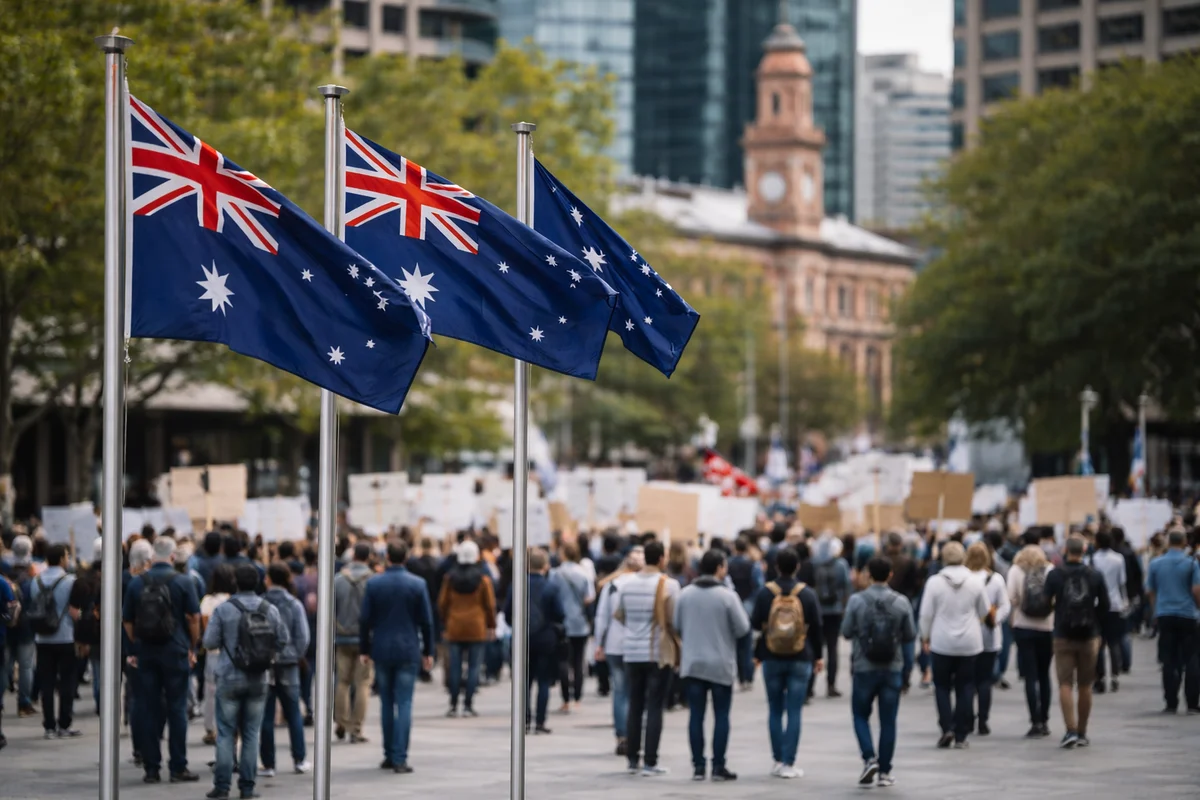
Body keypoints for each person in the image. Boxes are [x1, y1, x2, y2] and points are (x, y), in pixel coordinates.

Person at [203, 563, 289, 800]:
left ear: (235, 583)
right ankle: (247, 787)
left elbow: (209, 642)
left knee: (225, 733)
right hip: (259, 679)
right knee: (251, 733)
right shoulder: (269, 609)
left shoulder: (223, 610)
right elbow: (283, 640)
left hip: (229, 677)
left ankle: (222, 786)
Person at [123, 536, 201, 783]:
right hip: (175, 651)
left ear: (152, 556)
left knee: (148, 707)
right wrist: (192, 645)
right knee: (177, 709)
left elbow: (127, 620)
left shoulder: (136, 583)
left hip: (147, 652)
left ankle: (151, 768)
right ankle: (178, 766)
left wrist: (137, 643)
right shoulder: (183, 581)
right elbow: (193, 617)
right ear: (172, 556)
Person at [673, 548, 751, 782]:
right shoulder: (728, 596)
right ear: (719, 568)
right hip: (720, 663)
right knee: (721, 715)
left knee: (696, 715)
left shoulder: (685, 595)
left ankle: (698, 766)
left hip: (693, 663)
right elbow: (743, 628)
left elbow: (676, 625)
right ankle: (718, 766)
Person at [841, 556, 917, 789]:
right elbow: (909, 635)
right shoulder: (901, 602)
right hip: (892, 667)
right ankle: (885, 771)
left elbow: (845, 632)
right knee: (888, 721)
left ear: (868, 575)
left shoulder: (856, 601)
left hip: (864, 666)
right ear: (890, 575)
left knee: (860, 715)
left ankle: (868, 758)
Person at [360, 541, 434, 774]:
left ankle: (389, 754)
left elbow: (365, 620)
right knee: (404, 703)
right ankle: (400, 756)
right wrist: (429, 651)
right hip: (408, 647)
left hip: (381, 647)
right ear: (406, 557)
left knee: (386, 703)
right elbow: (427, 621)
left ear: (387, 557)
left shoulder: (374, 584)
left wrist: (364, 648)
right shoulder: (417, 584)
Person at [749, 546, 823, 779]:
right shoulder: (807, 594)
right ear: (798, 567)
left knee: (774, 709)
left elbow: (755, 624)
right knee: (794, 711)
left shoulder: (765, 593)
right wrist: (818, 656)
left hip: (771, 656)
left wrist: (757, 654)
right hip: (800, 657)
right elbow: (817, 628)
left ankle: (777, 759)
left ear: (776, 566)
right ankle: (789, 763)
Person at [615, 539, 680, 777]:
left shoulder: (626, 583)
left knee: (635, 704)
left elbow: (619, 614)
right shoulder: (669, 585)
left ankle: (633, 759)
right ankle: (650, 760)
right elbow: (674, 620)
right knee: (655, 706)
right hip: (656, 651)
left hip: (631, 651)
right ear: (662, 558)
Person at [918, 541, 988, 749]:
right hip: (969, 642)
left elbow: (925, 614)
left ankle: (946, 726)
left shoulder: (934, 582)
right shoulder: (975, 581)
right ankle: (961, 733)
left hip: (942, 641)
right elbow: (984, 611)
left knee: (941, 686)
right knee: (965, 686)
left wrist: (925, 636)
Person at [1042, 535, 1109, 748]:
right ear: (1085, 549)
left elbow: (1045, 603)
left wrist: (1058, 610)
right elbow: (1105, 605)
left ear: (1065, 550)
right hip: (1089, 635)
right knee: (1085, 684)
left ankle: (1069, 729)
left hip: (1063, 633)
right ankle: (1082, 731)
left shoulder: (1055, 574)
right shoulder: (1095, 575)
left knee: (1064, 683)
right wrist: (1093, 619)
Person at [259, 563, 311, 776]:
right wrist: (294, 654)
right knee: (293, 713)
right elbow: (303, 636)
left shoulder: (261, 604)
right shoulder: (294, 604)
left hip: (265, 664)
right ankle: (299, 759)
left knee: (266, 715)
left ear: (269, 579)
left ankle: (269, 764)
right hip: (289, 664)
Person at [506, 548, 565, 734]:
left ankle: (524, 721)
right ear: (546, 565)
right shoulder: (551, 587)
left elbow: (507, 613)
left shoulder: (516, 585)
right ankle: (540, 722)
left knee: (524, 681)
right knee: (544, 681)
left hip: (523, 638)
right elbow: (560, 614)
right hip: (545, 638)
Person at [438, 540, 496, 717]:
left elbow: (442, 603)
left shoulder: (449, 579)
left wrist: (445, 621)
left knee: (454, 667)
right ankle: (468, 705)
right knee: (474, 667)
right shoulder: (483, 580)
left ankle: (454, 703)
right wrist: (491, 625)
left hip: (454, 626)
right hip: (476, 628)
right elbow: (490, 605)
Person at [28, 543, 80, 740]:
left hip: (42, 637)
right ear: (61, 558)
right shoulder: (70, 580)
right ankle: (64, 723)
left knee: (46, 682)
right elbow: (75, 612)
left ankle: (49, 725)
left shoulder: (36, 580)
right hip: (65, 635)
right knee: (67, 682)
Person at [595, 547, 643, 757]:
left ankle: (622, 735)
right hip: (638, 644)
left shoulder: (612, 585)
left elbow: (602, 616)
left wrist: (599, 643)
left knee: (620, 690)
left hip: (615, 643)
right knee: (635, 692)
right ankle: (633, 734)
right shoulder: (645, 585)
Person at [1145, 529, 1200, 714]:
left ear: (1168, 542)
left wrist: (1155, 609)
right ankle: (1192, 702)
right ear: (1184, 542)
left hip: (1165, 614)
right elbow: (1196, 590)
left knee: (1169, 659)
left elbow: (1150, 590)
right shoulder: (1191, 563)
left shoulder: (1156, 563)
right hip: (1187, 614)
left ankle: (1171, 702)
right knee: (1192, 658)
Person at [1006, 536, 1055, 737]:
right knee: (1045, 675)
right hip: (1047, 627)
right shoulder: (1051, 570)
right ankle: (1044, 719)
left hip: (1023, 626)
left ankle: (1034, 721)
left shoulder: (1016, 570)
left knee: (1030, 675)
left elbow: (1011, 597)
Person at [965, 541, 1010, 736]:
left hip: (967, 634)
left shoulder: (964, 579)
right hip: (989, 635)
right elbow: (1005, 605)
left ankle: (967, 719)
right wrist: (994, 620)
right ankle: (983, 720)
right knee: (984, 680)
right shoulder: (996, 579)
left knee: (966, 681)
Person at [333, 542, 374, 741]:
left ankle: (341, 721)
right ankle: (356, 728)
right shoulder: (373, 581)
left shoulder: (338, 580)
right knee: (363, 684)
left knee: (342, 681)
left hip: (342, 636)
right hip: (365, 639)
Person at [550, 541, 595, 713]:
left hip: (562, 623)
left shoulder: (555, 574)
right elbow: (589, 598)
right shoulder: (583, 573)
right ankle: (577, 696)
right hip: (580, 622)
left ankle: (565, 698)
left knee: (563, 661)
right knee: (578, 661)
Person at [811, 533, 851, 698]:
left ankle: (809, 685)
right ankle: (831, 684)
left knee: (814, 648)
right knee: (833, 649)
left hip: (817, 610)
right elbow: (846, 587)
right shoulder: (841, 565)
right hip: (834, 610)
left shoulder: (814, 564)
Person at [200, 564, 235, 746]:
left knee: (211, 692)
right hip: (230, 652)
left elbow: (206, 628)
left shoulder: (207, 601)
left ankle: (210, 728)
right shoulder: (232, 600)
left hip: (213, 653)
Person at [1089, 530, 1128, 693]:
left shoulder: (1093, 559)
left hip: (1097, 604)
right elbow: (1122, 582)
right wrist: (1125, 601)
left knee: (1099, 643)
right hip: (1115, 603)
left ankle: (1100, 676)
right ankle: (1115, 676)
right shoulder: (1118, 559)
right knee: (1114, 642)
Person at [3, 535, 36, 719]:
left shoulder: (5, 571)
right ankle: (24, 702)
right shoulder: (32, 576)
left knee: (6, 663)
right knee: (25, 666)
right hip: (26, 626)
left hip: (7, 623)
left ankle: (3, 694)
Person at [727, 536, 763, 689]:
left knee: (734, 643)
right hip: (748, 605)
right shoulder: (753, 565)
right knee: (747, 643)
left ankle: (740, 676)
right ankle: (748, 676)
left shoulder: (728, 564)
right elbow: (759, 586)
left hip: (731, 603)